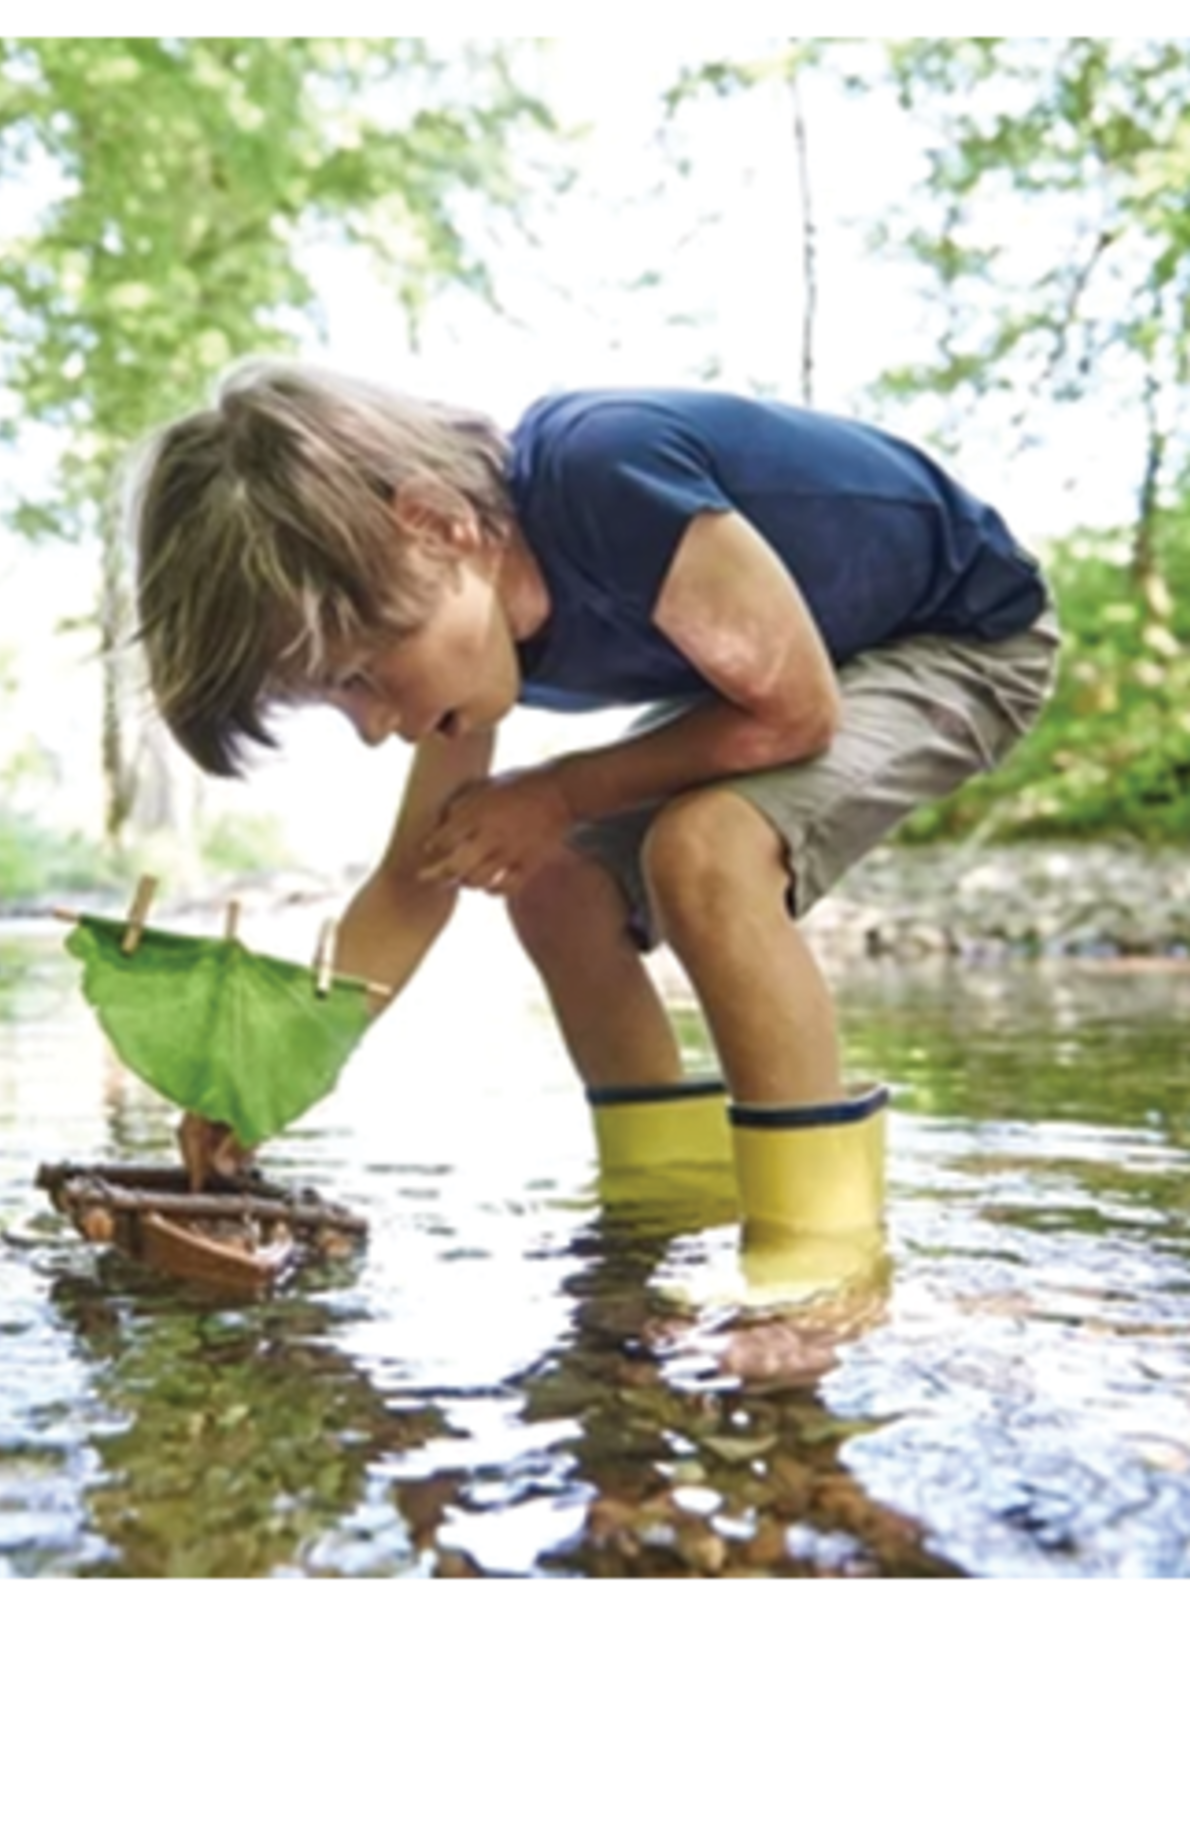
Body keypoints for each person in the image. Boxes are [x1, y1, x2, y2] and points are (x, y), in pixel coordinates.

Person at [134, 363, 1058, 1280]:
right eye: (337, 703)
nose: (378, 727)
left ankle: (821, 1253)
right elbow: (415, 882)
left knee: (705, 850)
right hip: (787, 677)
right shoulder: (469, 615)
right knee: (551, 875)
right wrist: (261, 1074)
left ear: (434, 525)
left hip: (957, 639)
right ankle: (667, 1202)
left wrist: (564, 793)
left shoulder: (603, 472)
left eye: (365, 671)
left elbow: (795, 713)